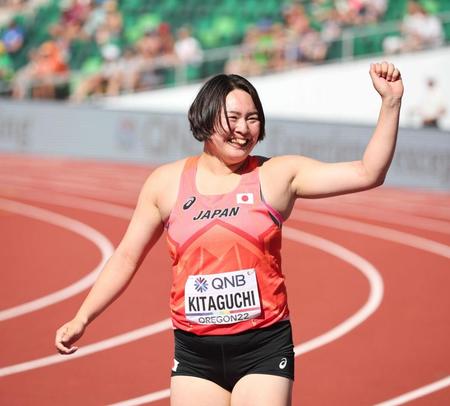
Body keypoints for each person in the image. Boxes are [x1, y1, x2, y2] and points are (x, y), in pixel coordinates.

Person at [55, 61, 403, 405]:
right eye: (233, 118)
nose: (244, 129)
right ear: (205, 119)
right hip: (195, 354)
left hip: (263, 348)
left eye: (252, 119)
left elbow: (368, 172)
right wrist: (82, 317)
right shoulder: (165, 183)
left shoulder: (277, 175)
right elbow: (127, 257)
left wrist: (390, 103)